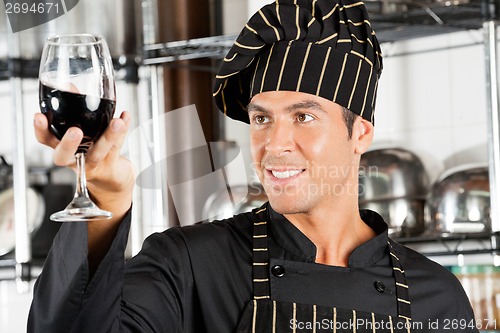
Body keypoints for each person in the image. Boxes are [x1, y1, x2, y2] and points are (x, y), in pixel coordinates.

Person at [29, 0, 479, 332]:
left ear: (360, 131)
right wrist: (106, 197)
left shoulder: (437, 297)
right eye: (262, 119)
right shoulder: (189, 265)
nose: (274, 144)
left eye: (304, 117)